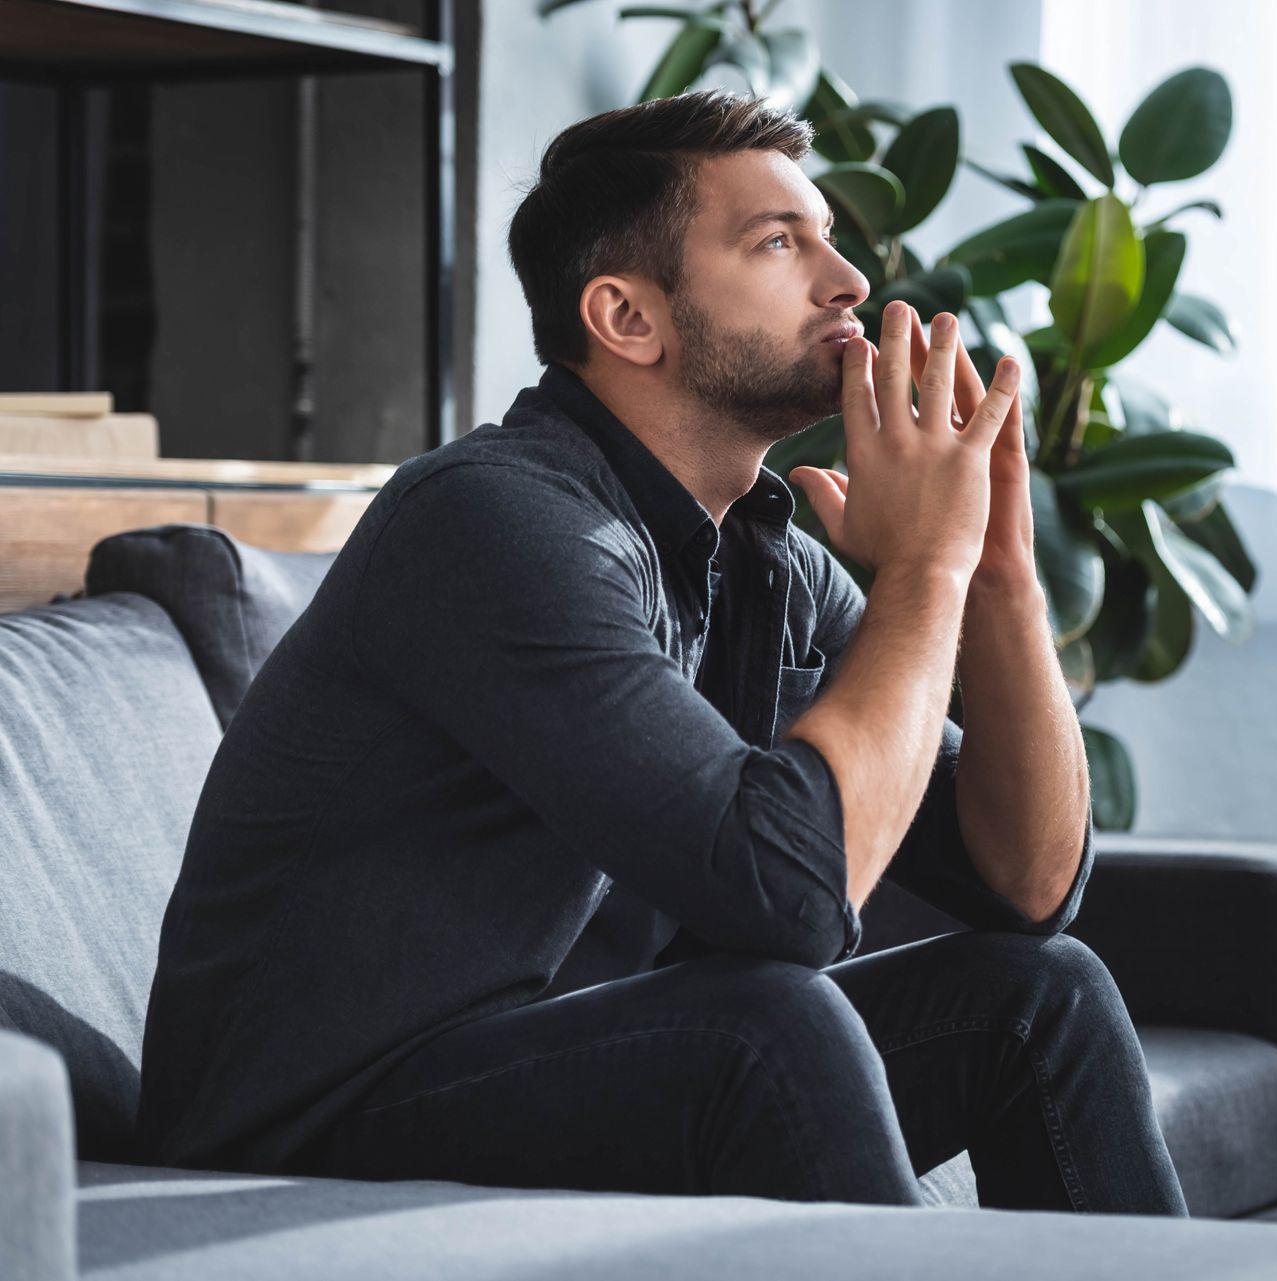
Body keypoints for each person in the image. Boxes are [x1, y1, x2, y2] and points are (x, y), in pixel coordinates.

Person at [134, 89, 1188, 1216]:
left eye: (829, 237)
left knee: (1041, 995)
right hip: (311, 1130)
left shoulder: (764, 554)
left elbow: (1027, 887)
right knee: (766, 1020)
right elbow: (789, 902)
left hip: (571, 1077)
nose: (848, 282)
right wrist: (924, 573)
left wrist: (996, 572)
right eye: (779, 242)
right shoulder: (493, 521)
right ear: (628, 319)